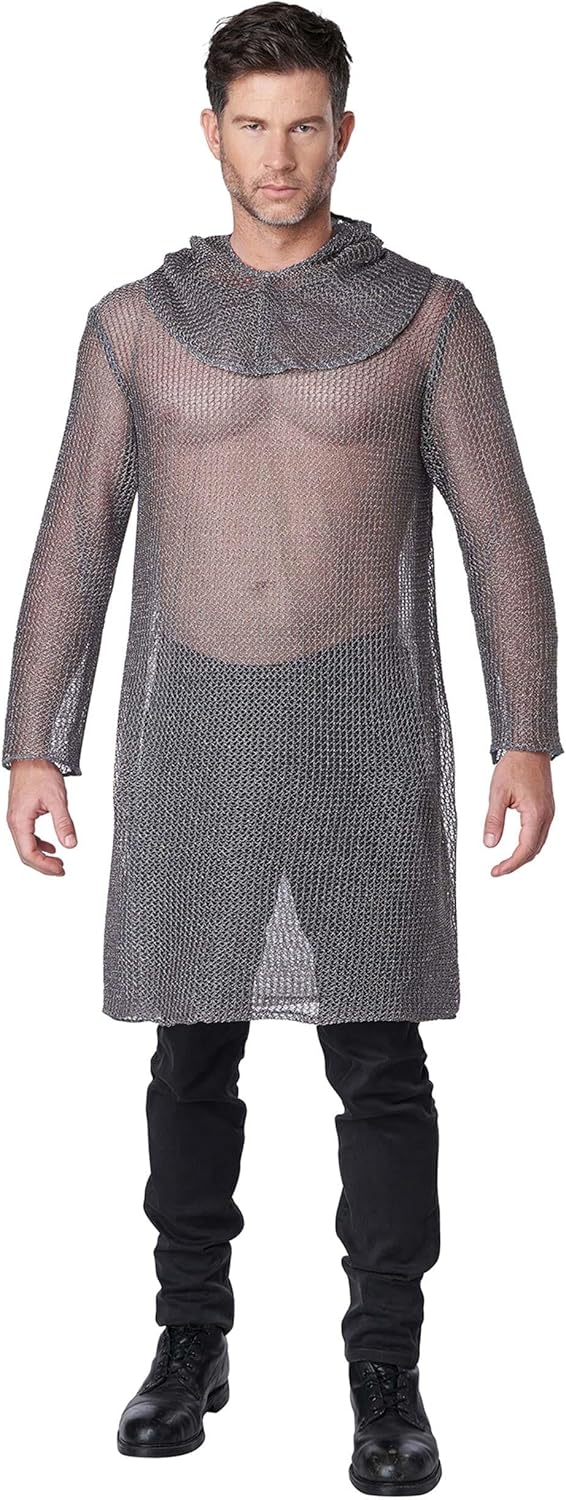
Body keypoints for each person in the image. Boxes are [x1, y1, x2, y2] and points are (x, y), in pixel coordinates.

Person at [3, 3, 562, 1492]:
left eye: (304, 123)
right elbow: (76, 534)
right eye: (251, 125)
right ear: (209, 133)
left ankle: (388, 1370)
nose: (278, 154)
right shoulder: (135, 324)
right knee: (191, 1053)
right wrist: (34, 743)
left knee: (378, 1062)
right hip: (192, 725)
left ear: (344, 132)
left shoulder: (426, 318)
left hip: (363, 731)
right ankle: (189, 1338)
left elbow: (501, 531)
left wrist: (526, 734)